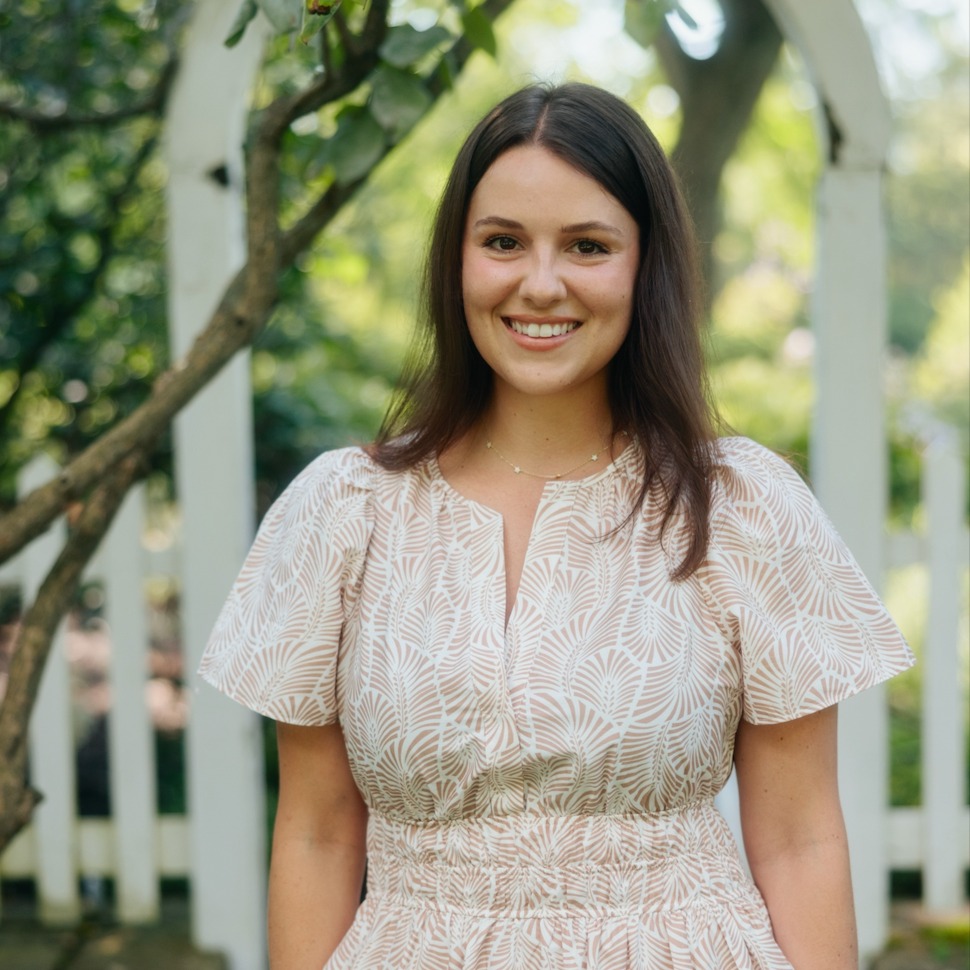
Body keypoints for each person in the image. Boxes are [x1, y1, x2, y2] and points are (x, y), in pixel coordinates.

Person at [199, 82, 914, 970]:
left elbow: (802, 837)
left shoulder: (739, 506)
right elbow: (315, 832)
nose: (541, 284)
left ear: (645, 265)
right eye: (503, 242)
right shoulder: (345, 511)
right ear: (456, 260)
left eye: (588, 246)